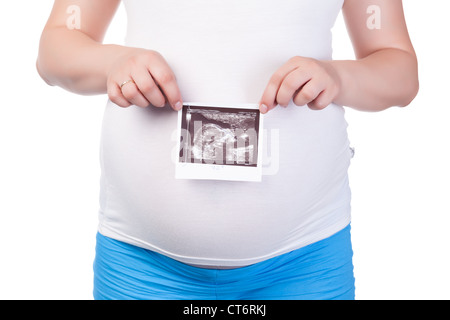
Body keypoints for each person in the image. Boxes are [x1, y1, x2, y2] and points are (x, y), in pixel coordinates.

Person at [37, 0, 418, 300]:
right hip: (141, 263)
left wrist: (339, 77)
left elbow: (398, 68)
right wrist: (114, 62)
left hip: (304, 260)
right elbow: (56, 47)